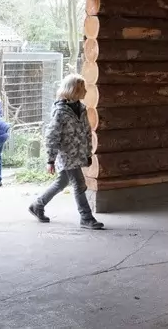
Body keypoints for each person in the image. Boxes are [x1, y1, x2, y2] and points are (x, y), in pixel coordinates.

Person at [28, 74, 104, 230]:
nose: (85, 91)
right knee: (79, 184)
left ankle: (37, 205)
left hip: (78, 154)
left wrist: (88, 153)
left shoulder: (81, 108)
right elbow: (52, 135)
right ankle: (86, 217)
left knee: (62, 182)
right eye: (82, 88)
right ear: (74, 89)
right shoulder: (60, 111)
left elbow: (86, 131)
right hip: (67, 155)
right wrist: (50, 159)